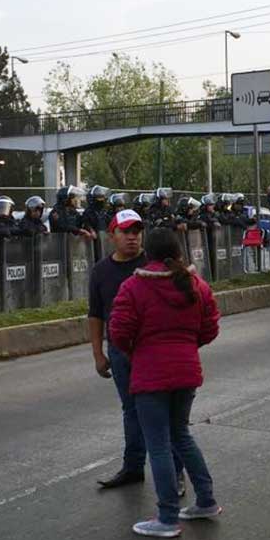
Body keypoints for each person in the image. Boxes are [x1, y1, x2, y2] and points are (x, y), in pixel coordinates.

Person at [109, 227, 222, 538]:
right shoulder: (196, 284)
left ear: (150, 252)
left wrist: (135, 351)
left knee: (158, 444)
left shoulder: (134, 286)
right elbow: (210, 326)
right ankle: (206, 500)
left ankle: (168, 517)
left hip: (150, 374)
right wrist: (188, 345)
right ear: (179, 252)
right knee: (180, 435)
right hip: (186, 371)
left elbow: (117, 330)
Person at [88, 209, 187, 494]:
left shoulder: (154, 264)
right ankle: (133, 467)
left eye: (137, 231)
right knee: (131, 410)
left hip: (153, 351)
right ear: (112, 236)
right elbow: (95, 315)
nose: (132, 237)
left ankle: (175, 473)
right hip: (120, 352)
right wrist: (98, 354)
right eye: (125, 231)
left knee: (164, 415)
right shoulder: (101, 271)